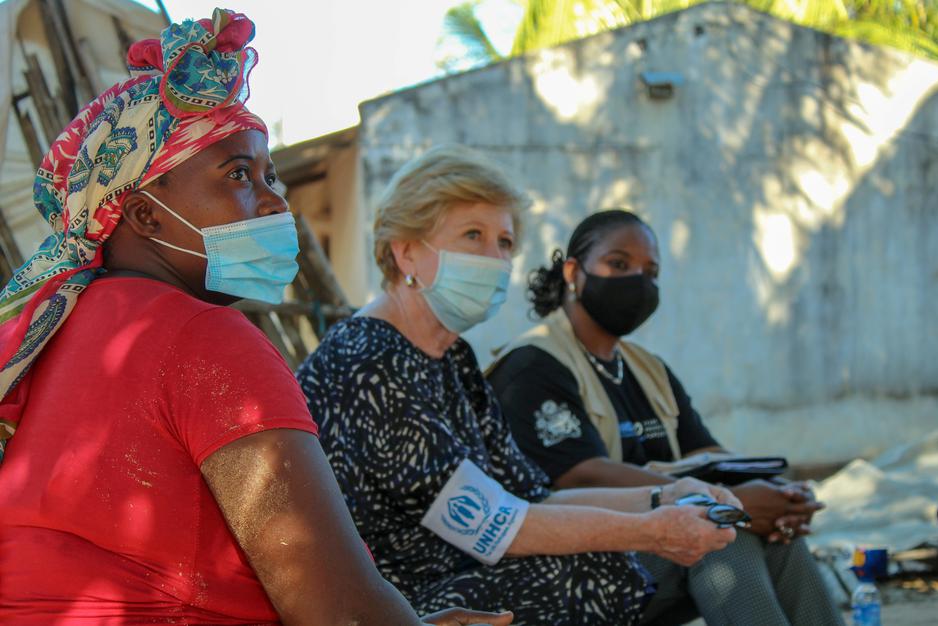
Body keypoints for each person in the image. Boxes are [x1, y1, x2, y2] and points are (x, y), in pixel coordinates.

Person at [0, 12, 511, 626]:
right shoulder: (202, 338)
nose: (274, 200)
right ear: (143, 215)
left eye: (270, 176)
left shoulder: (57, 334)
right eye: (238, 174)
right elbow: (337, 611)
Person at [296, 146, 741, 626]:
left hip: (451, 578)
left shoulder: (451, 358)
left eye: (504, 243)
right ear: (406, 251)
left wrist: (667, 496)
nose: (495, 259)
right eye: (473, 235)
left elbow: (531, 496)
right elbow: (493, 524)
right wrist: (651, 531)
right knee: (579, 571)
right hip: (387, 607)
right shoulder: (370, 360)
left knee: (611, 560)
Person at [488, 209, 845, 626]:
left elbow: (706, 452)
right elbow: (579, 474)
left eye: (650, 271)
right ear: (573, 272)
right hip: (571, 562)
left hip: (653, 543)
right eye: (619, 264)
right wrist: (724, 503)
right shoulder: (531, 366)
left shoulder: (647, 369)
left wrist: (767, 494)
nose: (638, 281)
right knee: (720, 537)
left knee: (778, 534)